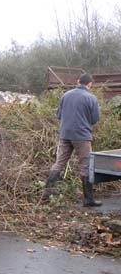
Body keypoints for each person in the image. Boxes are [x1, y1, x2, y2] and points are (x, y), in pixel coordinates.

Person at [43, 73, 102, 207]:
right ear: (90, 84)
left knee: (59, 163)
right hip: (82, 136)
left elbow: (59, 115)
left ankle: (47, 194)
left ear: (78, 81)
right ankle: (88, 199)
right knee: (85, 165)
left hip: (65, 135)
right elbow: (95, 119)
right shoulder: (91, 98)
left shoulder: (66, 95)